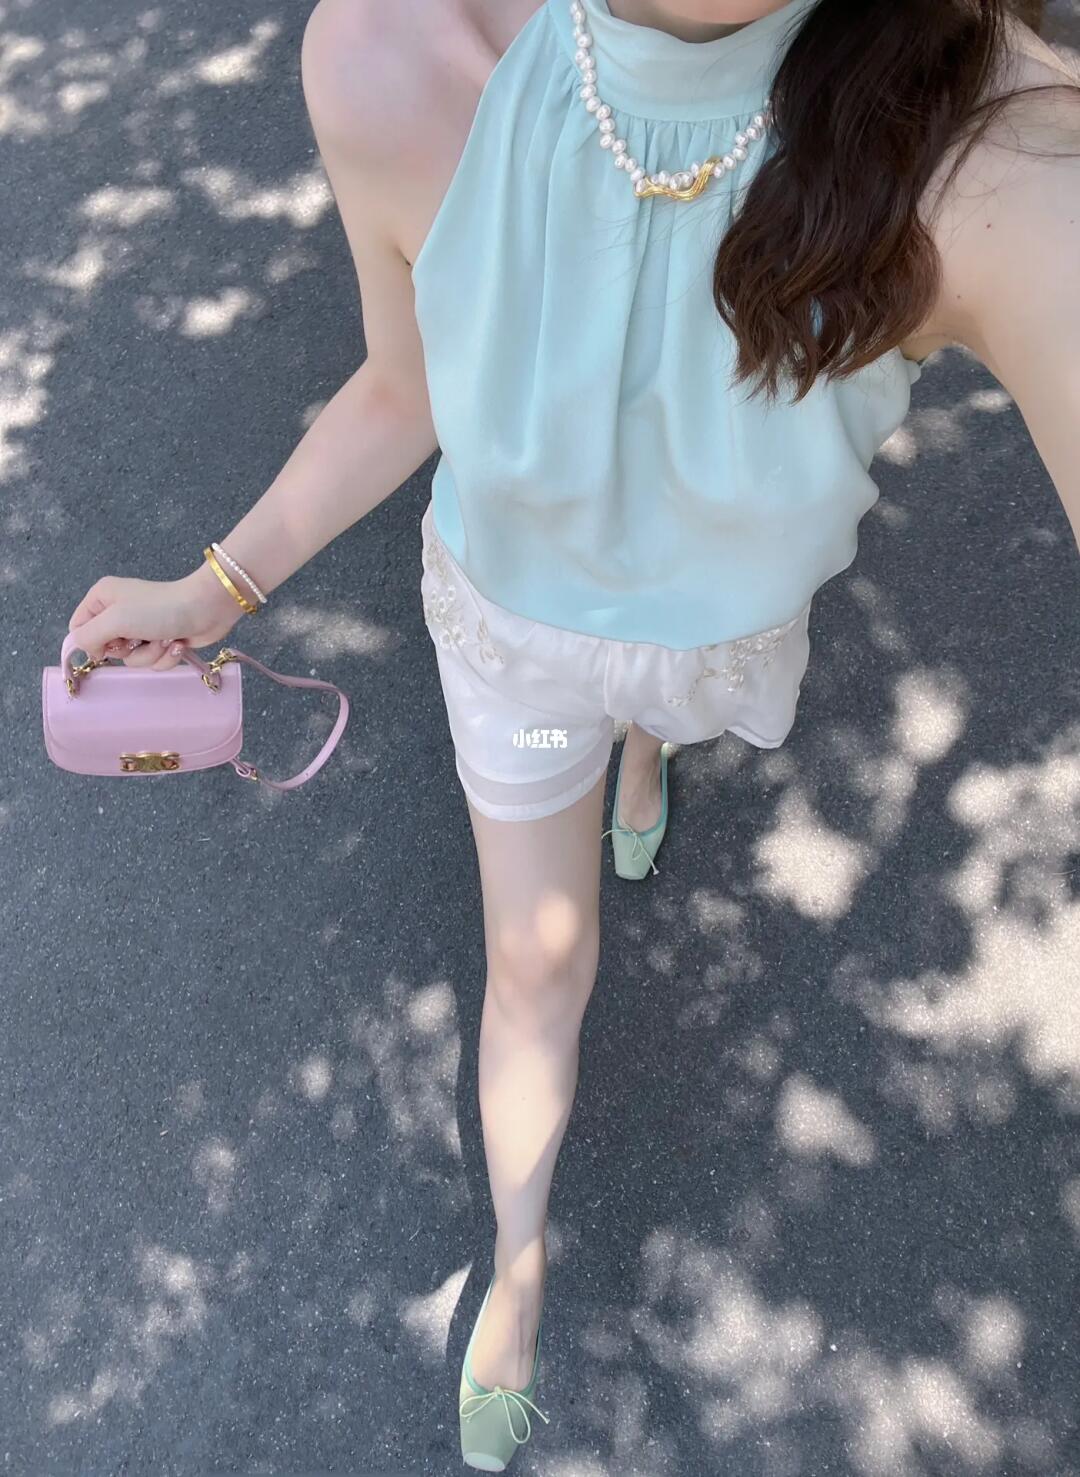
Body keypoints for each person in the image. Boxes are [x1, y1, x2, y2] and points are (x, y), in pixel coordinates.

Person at [66, 0, 1080, 1467]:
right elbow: (408, 380)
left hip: (712, 651)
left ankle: (645, 752)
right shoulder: (388, 51)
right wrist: (214, 588)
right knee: (535, 967)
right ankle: (521, 1257)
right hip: (516, 651)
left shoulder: (967, 120)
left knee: (654, 724)